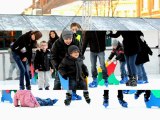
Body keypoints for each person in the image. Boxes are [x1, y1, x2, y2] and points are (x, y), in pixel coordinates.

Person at [51, 30, 82, 99]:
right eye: (66, 39)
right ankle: (56, 95)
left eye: (70, 39)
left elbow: (80, 54)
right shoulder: (57, 43)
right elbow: (53, 56)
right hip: (60, 65)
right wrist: (57, 66)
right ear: (63, 38)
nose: (68, 41)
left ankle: (73, 94)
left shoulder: (76, 42)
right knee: (58, 80)